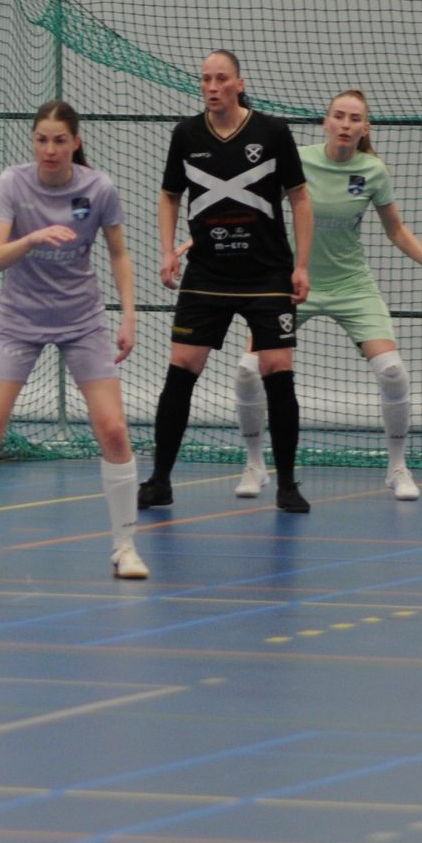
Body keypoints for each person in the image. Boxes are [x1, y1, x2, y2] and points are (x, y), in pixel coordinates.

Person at [0, 102, 145, 580]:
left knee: (113, 430)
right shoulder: (13, 183)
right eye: (42, 140)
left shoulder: (99, 188)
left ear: (76, 142)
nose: (50, 150)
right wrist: (31, 239)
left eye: (59, 141)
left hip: (82, 320)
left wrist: (129, 315)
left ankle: (126, 547)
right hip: (20, 320)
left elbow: (119, 254)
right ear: (33, 142)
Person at [140, 50, 314, 513]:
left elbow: (299, 198)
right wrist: (167, 251)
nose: (212, 87)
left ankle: (287, 484)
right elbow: (169, 195)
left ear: (239, 84)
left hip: (267, 273)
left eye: (221, 79)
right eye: (206, 79)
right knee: (181, 368)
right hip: (207, 274)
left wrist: (301, 266)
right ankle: (159, 480)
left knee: (277, 371)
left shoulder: (272, 132)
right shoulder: (186, 134)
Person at [293, 89, 422, 501]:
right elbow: (255, 206)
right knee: (249, 369)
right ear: (326, 122)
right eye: (339, 116)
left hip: (352, 286)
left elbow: (396, 229)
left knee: (393, 372)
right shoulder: (298, 160)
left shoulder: (373, 170)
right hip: (296, 281)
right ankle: (254, 466)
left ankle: (397, 468)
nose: (345, 124)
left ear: (365, 129)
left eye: (354, 119)